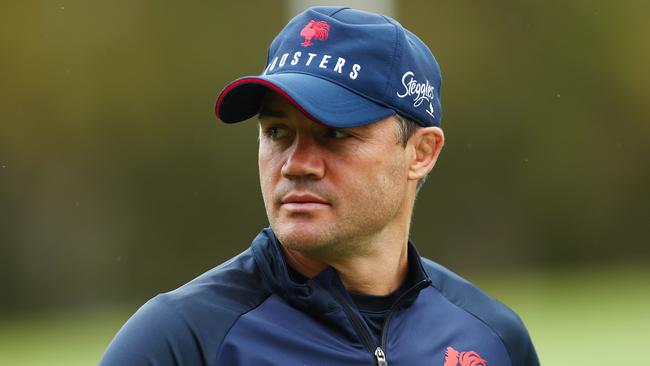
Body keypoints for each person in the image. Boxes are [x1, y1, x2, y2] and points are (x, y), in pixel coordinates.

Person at [101, 6, 539, 366]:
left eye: (335, 133)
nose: (297, 164)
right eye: (277, 132)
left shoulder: (491, 338)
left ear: (421, 153)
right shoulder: (181, 342)